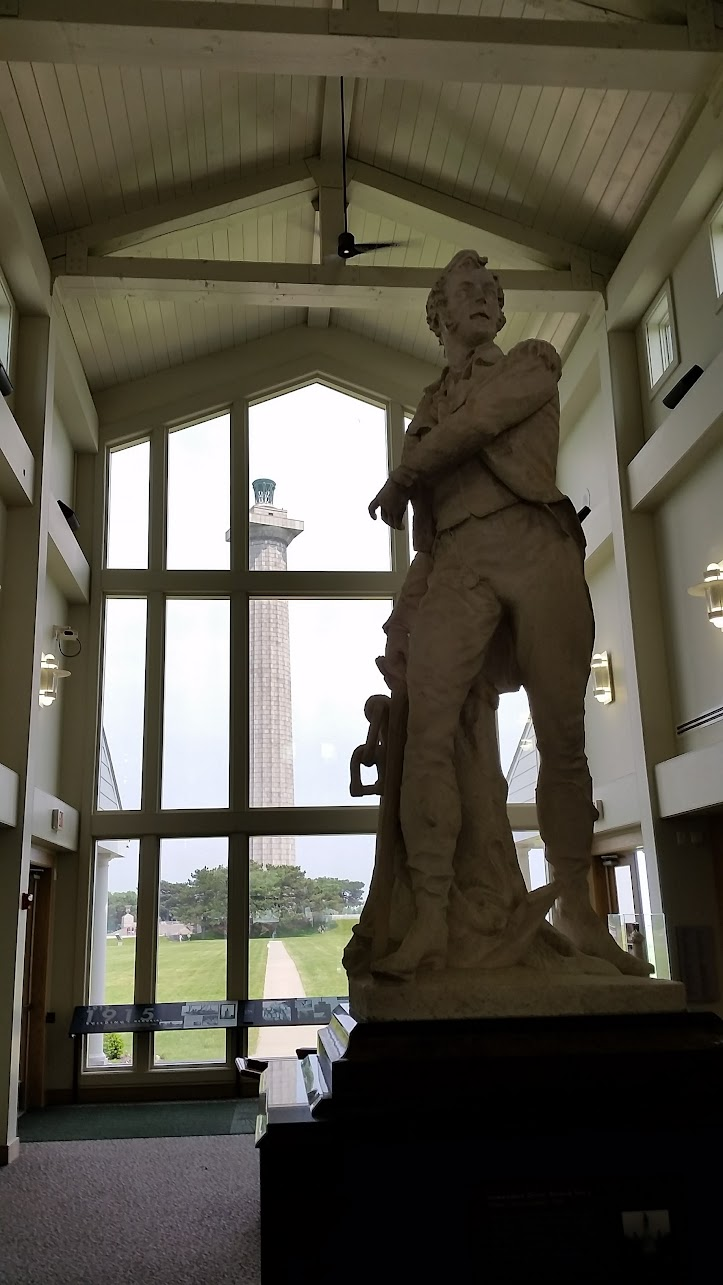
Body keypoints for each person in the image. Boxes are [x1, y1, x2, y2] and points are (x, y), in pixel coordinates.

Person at [368, 249, 651, 979]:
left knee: (563, 741)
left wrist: (405, 471)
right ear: (437, 314)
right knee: (428, 733)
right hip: (459, 562)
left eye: (491, 291)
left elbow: (481, 424)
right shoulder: (426, 410)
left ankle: (579, 914)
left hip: (536, 548)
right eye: (467, 290)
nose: (485, 299)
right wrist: (405, 612)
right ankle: (433, 917)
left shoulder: (532, 361)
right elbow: (428, 537)